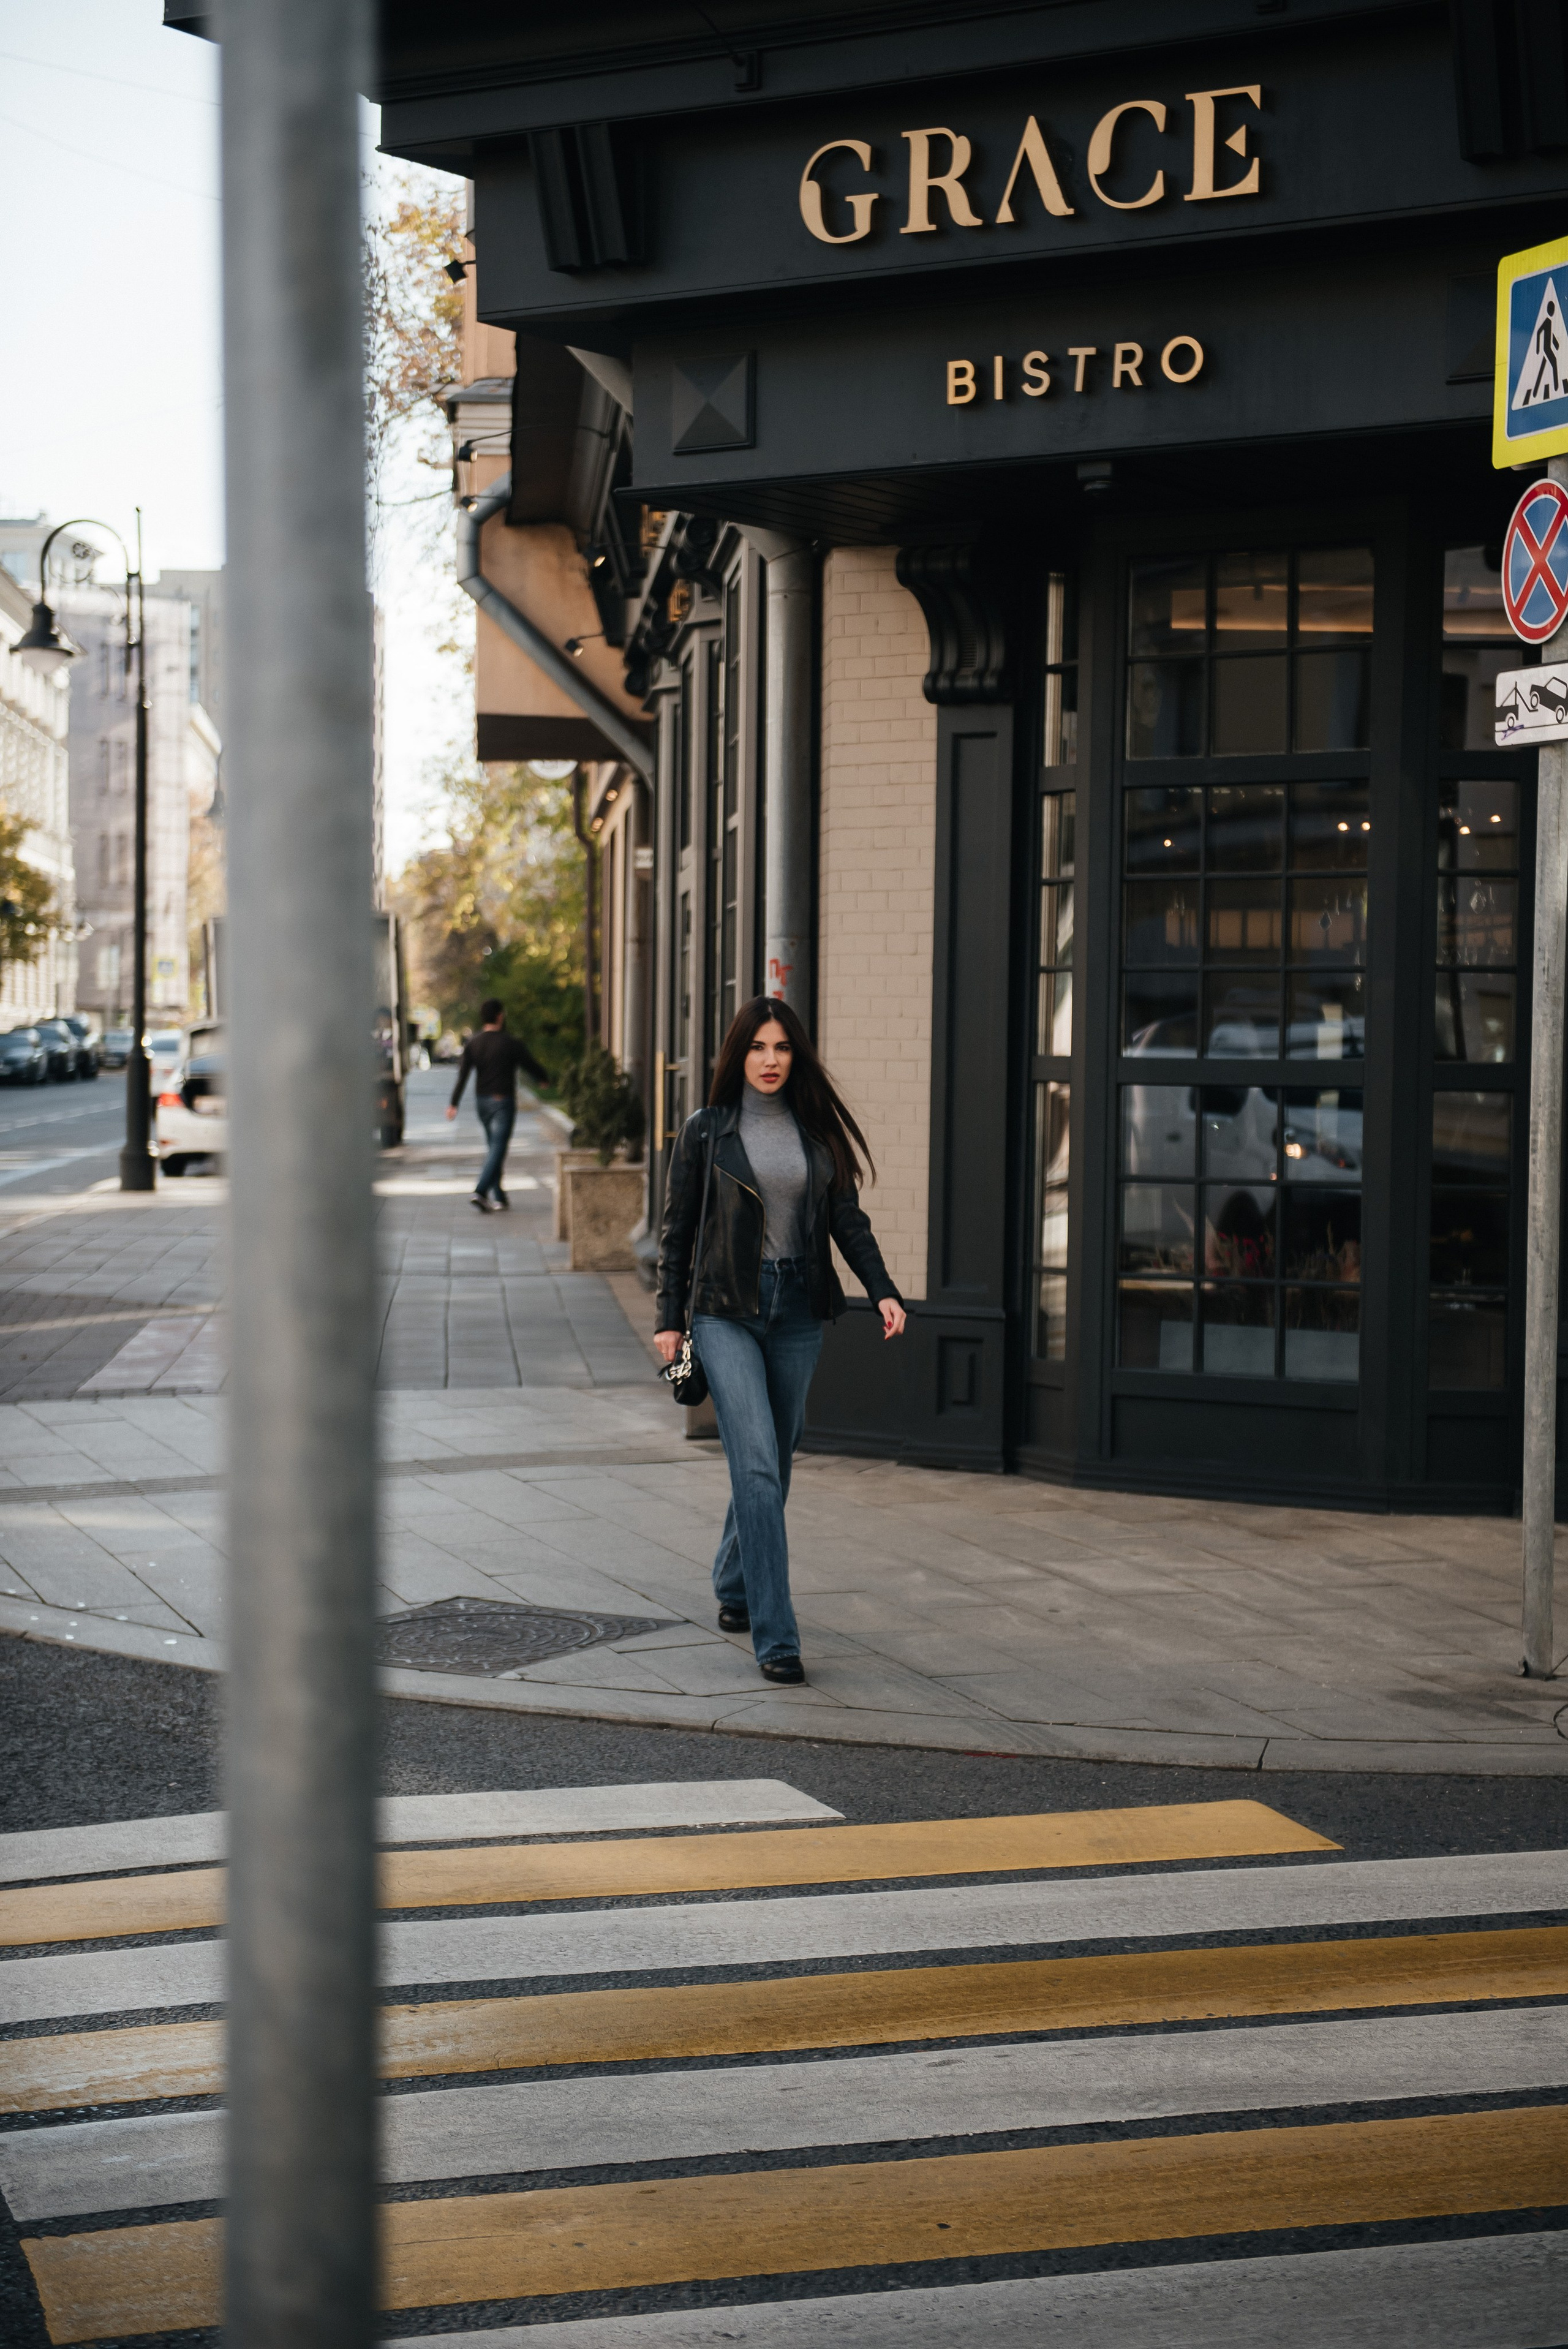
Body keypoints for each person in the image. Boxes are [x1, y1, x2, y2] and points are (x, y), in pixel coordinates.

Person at [654, 997, 907, 1685]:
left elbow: (846, 1221)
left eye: (783, 1048)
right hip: (724, 1311)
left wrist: (882, 1287)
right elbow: (676, 1233)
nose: (770, 1060)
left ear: (797, 1056)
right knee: (758, 1465)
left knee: (777, 1463)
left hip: (797, 1309)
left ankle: (734, 1580)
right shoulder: (707, 1131)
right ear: (738, 1053)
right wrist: (667, 1319)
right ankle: (776, 1638)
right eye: (758, 1047)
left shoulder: (814, 1133)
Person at [445, 998, 549, 1212]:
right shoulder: (510, 1043)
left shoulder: (473, 1043)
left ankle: (499, 1196)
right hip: (503, 1102)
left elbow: (463, 1075)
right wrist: (544, 1078)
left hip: (482, 1103)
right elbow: (530, 1064)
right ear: (500, 1016)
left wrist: (453, 1104)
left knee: (494, 1148)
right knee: (498, 1149)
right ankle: (481, 1191)